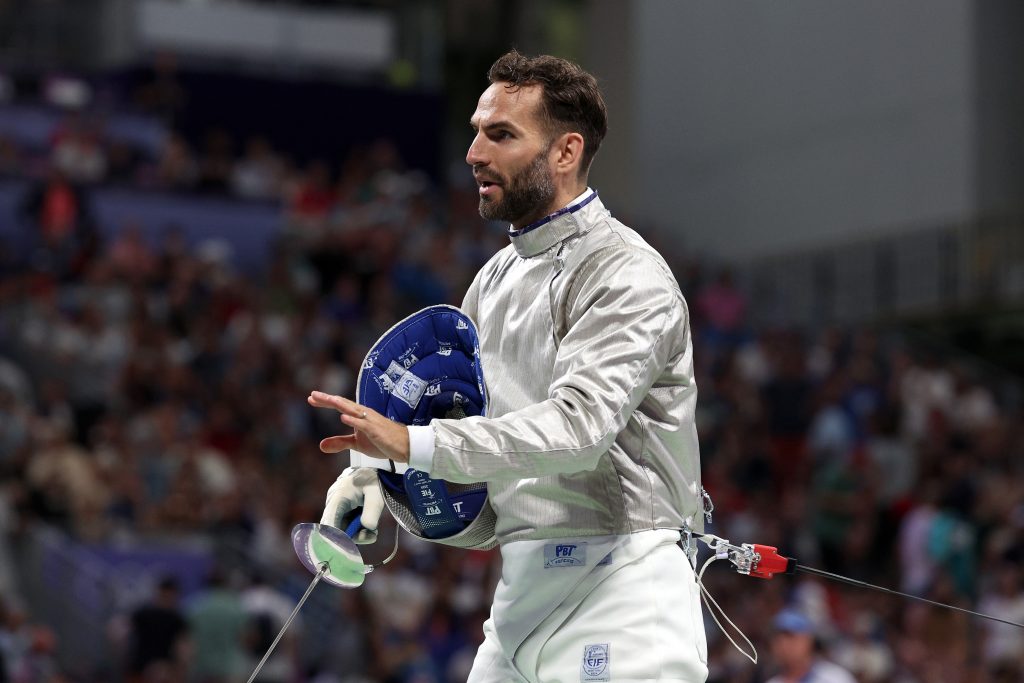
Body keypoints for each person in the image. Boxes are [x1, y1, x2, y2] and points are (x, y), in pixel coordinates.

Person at [309, 49, 707, 682]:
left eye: (501, 135)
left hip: (626, 590)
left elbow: (579, 432)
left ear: (565, 152)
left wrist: (415, 444)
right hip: (521, 604)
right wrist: (391, 484)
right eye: (475, 132)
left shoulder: (625, 273)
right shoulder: (492, 283)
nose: (474, 153)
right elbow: (488, 513)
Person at [764, 609, 855, 683]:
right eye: (778, 638)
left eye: (790, 636)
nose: (783, 644)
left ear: (808, 640)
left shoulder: (835, 678)